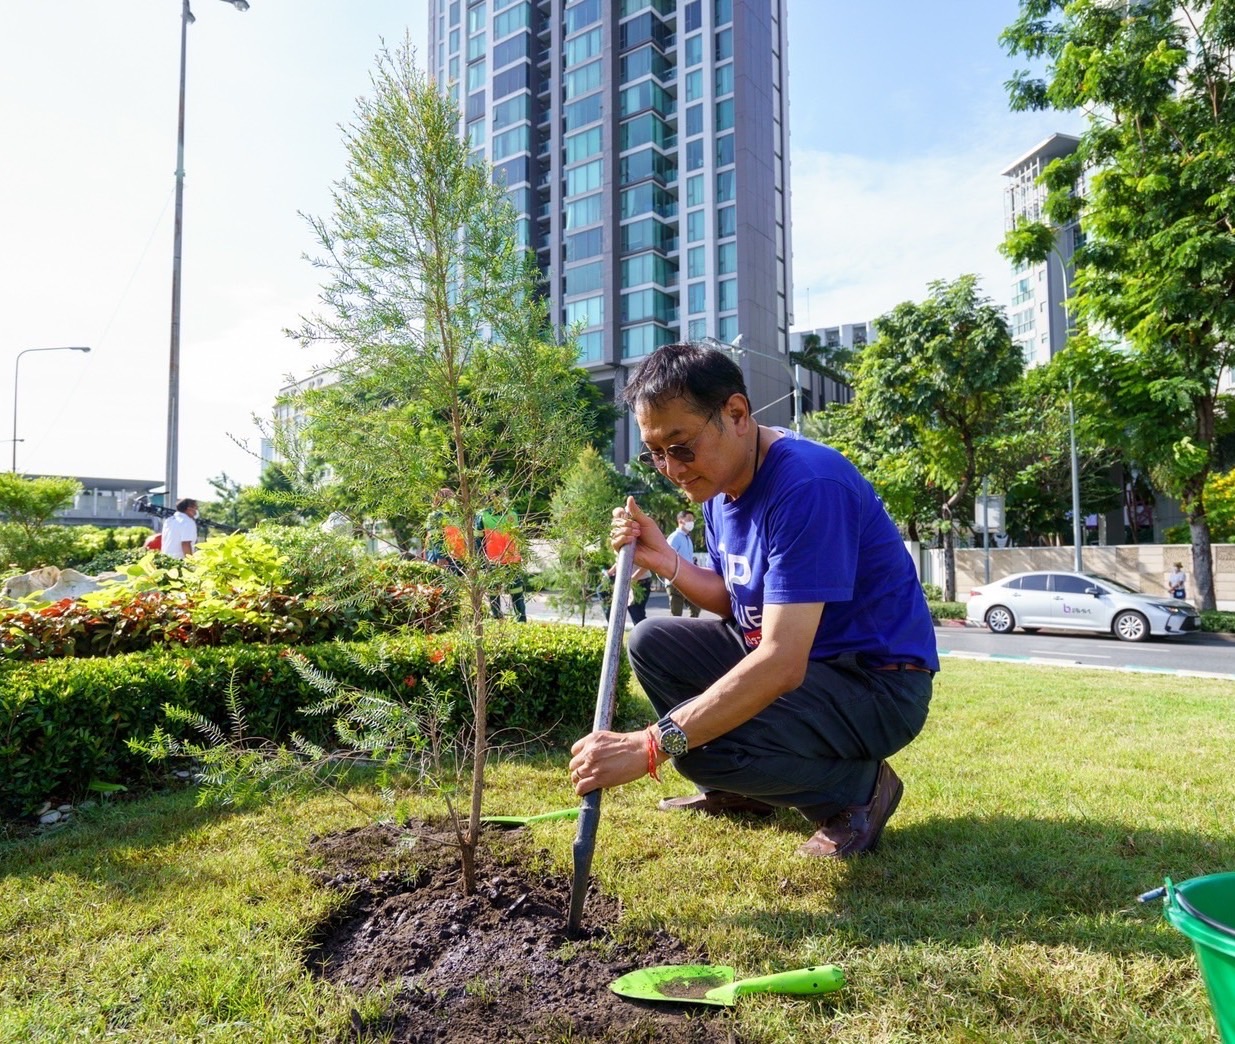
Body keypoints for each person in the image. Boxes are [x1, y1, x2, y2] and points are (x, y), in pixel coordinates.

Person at [569, 342, 938, 859]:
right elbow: (736, 601)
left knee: (698, 750)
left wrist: (650, 745)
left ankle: (859, 790)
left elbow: (782, 661)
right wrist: (666, 560)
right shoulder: (718, 487)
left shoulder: (807, 484)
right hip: (810, 667)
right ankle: (743, 788)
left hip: (876, 686)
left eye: (681, 446)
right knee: (652, 640)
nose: (672, 468)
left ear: (737, 414)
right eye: (655, 453)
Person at [477, 502, 527, 622]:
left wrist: (523, 555)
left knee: (517, 591)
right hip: (493, 561)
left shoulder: (513, 514)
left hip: (512, 561)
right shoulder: (482, 516)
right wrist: (482, 562)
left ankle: (521, 621)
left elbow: (520, 538)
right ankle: (498, 619)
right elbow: (478, 541)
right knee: (493, 593)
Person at [665, 509, 701, 618]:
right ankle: (675, 630)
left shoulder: (687, 538)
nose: (692, 523)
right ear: (680, 521)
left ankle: (691, 627)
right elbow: (667, 557)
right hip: (675, 580)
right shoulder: (675, 537)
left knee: (696, 606)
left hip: (688, 580)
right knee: (676, 614)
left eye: (693, 520)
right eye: (689, 519)